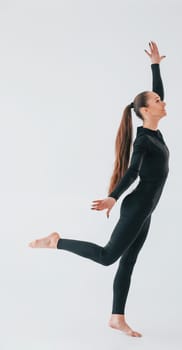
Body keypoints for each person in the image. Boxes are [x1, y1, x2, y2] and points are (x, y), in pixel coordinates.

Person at [28, 40, 168, 338]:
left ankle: (117, 317)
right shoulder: (143, 140)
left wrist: (155, 66)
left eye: (160, 99)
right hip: (137, 207)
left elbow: (159, 96)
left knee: (128, 260)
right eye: (157, 101)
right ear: (145, 110)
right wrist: (113, 197)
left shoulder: (154, 129)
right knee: (107, 257)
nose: (163, 102)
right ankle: (56, 241)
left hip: (146, 209)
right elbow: (132, 172)